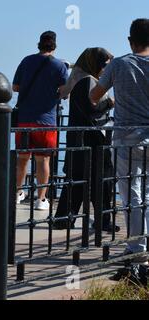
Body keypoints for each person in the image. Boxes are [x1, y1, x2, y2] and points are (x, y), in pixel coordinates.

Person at [90, 19, 149, 266]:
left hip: (125, 137)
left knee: (131, 193)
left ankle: (137, 247)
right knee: (146, 192)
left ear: (129, 40)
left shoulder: (119, 63)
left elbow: (94, 97)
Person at [53, 48, 120, 233]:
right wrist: (110, 103)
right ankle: (103, 220)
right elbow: (92, 109)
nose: (106, 69)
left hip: (79, 139)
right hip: (93, 140)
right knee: (102, 181)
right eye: (104, 65)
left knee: (76, 180)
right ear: (95, 64)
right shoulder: (88, 81)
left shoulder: (80, 80)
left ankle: (65, 218)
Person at [13, 31, 69, 210]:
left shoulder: (26, 61)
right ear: (54, 45)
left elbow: (15, 87)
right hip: (46, 121)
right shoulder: (60, 66)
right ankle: (41, 199)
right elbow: (65, 92)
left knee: (22, 159)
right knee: (43, 161)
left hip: (24, 119)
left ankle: (17, 193)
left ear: (39, 44)